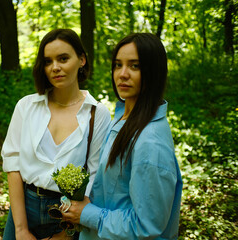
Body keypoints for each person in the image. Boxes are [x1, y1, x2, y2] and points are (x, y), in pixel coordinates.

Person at [62, 33, 183, 239]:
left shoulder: (150, 142)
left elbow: (146, 227)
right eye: (118, 65)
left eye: (134, 66)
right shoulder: (123, 118)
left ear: (154, 71)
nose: (122, 74)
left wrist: (88, 214)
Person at [1, 29, 111, 240]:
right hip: (24, 209)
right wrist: (21, 229)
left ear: (81, 60)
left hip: (69, 215)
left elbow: (95, 178)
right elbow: (13, 166)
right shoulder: (26, 106)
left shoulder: (97, 114)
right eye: (48, 61)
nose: (55, 67)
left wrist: (66, 234)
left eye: (63, 58)